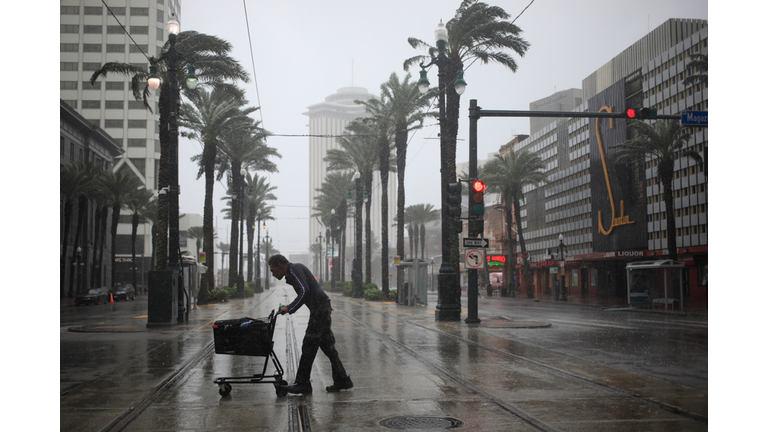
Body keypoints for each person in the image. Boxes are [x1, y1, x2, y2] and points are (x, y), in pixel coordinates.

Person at [269, 254, 353, 395]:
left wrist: (289, 307)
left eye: (273, 269)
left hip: (320, 309)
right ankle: (342, 379)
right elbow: (305, 292)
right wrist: (289, 307)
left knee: (309, 344)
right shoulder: (292, 271)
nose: (272, 273)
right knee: (327, 346)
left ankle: (303, 383)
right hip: (320, 307)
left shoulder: (294, 269)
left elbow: (304, 291)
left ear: (280, 265)